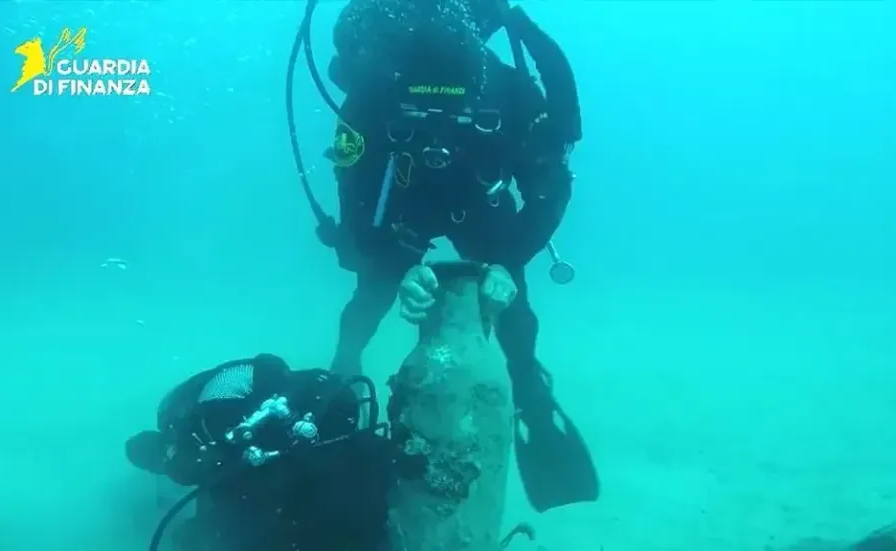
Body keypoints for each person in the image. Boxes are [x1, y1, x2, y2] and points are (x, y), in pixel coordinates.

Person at [319, 0, 598, 513]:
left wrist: (508, 261)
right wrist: (396, 263)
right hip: (404, 209)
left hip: (480, 201)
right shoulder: (372, 95)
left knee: (510, 298)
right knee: (373, 291)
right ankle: (344, 366)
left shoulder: (510, 92)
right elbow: (355, 201)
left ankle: (527, 382)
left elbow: (549, 187)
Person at [125, 353, 392, 551]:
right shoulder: (209, 419)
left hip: (320, 461)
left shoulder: (202, 433)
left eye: (163, 462)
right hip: (331, 427)